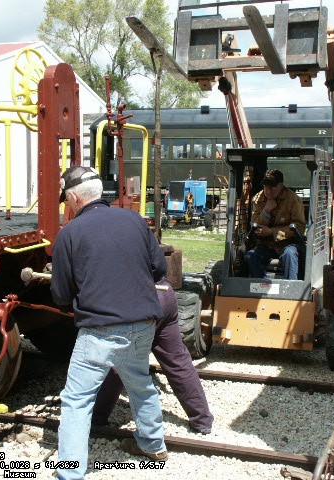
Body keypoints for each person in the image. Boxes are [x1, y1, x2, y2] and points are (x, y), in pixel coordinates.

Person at [50, 166, 168, 480]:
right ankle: (153, 445)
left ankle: (70, 472)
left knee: (77, 399)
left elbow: (61, 294)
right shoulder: (134, 220)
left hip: (100, 331)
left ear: (74, 197)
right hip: (143, 323)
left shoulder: (70, 233)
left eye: (67, 199)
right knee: (141, 384)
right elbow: (158, 269)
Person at [92, 278, 214, 434]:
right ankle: (202, 420)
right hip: (163, 291)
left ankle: (96, 418)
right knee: (177, 360)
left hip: (137, 297)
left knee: (118, 359)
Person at [245, 169, 306, 280]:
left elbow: (299, 227)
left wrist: (272, 232)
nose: (268, 191)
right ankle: (261, 286)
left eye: (272, 187)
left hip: (288, 243)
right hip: (266, 244)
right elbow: (254, 224)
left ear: (281, 185)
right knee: (251, 256)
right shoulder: (258, 199)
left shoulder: (293, 200)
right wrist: (266, 211)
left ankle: (290, 290)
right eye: (265, 187)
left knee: (290, 254)